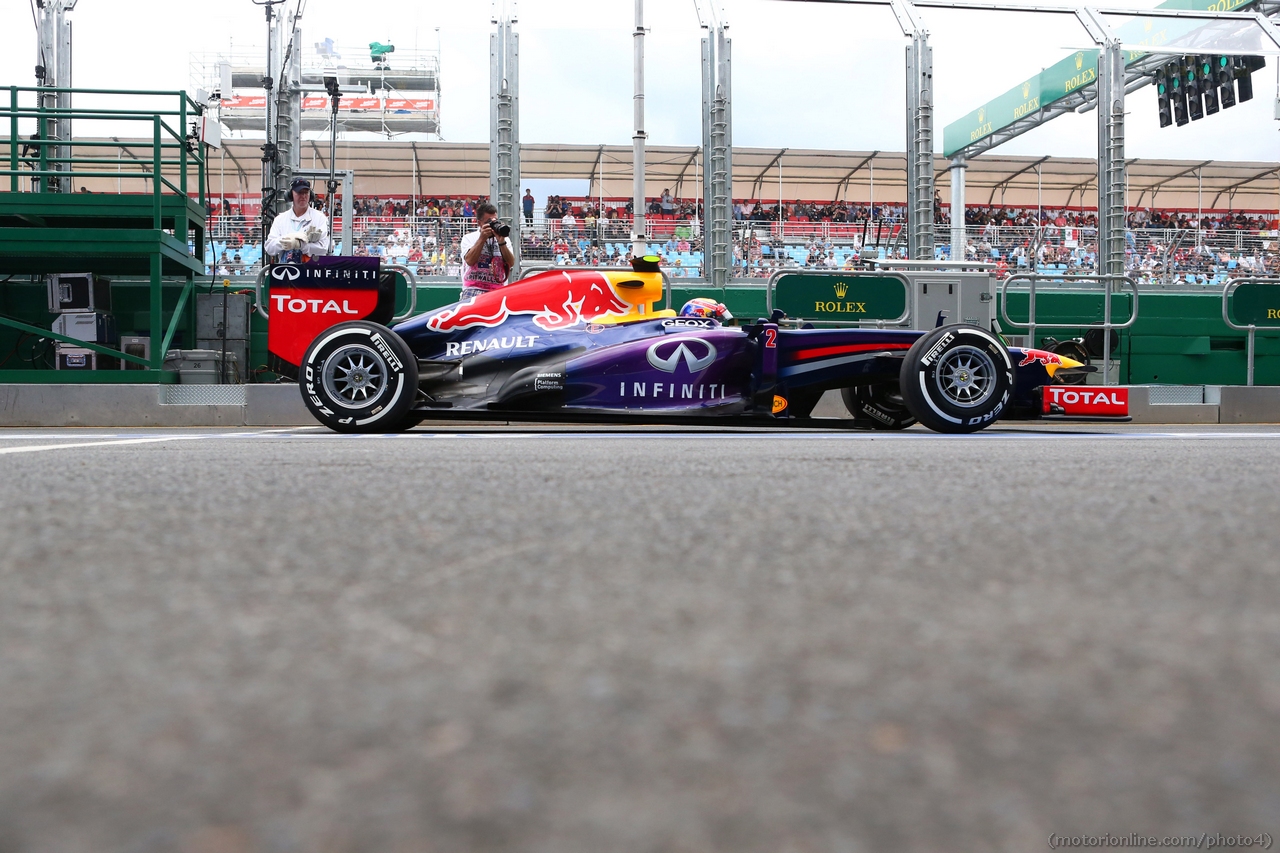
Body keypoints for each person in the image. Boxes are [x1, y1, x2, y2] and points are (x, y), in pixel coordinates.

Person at [459, 202, 515, 300]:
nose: (493, 225)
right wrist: (482, 239)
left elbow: (511, 263)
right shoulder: (469, 238)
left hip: (498, 289)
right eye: (489, 222)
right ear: (479, 223)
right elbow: (469, 261)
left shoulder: (504, 239)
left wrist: (501, 242)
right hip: (473, 288)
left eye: (495, 221)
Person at [264, 178, 330, 262]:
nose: (303, 196)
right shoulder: (280, 219)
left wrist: (300, 245)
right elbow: (269, 248)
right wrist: (285, 241)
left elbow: (323, 248)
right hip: (286, 271)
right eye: (299, 192)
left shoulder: (319, 218)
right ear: (290, 194)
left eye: (306, 192)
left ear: (310, 194)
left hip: (311, 271)